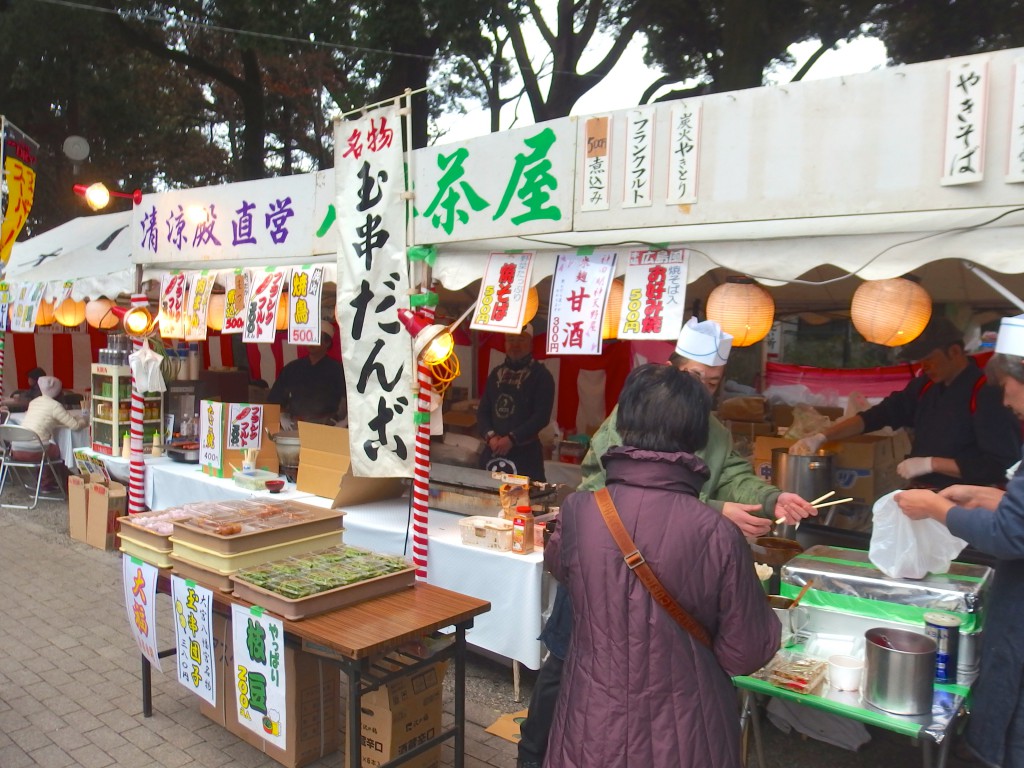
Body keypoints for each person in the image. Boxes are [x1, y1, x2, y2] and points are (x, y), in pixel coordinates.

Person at [517, 317, 816, 768]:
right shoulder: (637, 415)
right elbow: (602, 487)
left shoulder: (709, 428)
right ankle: (530, 754)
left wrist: (771, 497)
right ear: (674, 367)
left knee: (613, 694)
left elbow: (732, 475)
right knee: (561, 678)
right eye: (696, 378)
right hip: (607, 573)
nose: (704, 390)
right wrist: (712, 514)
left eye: (713, 383)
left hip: (648, 590)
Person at [895, 313, 1024, 768]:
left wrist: (937, 508)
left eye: (1010, 386)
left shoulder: (978, 395)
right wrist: (986, 495)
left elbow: (1012, 531)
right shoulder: (931, 390)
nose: (1008, 400)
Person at [791, 315, 1021, 489]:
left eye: (929, 359)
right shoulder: (925, 387)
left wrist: (932, 463)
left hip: (966, 504)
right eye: (921, 361)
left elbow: (999, 466)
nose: (925, 367)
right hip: (920, 494)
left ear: (954, 351)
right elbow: (878, 415)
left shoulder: (986, 393)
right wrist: (822, 437)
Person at [477, 324, 555, 481]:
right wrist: (491, 437)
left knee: (526, 501)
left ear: (531, 344)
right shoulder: (496, 374)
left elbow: (541, 416)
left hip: (525, 454)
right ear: (505, 344)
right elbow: (483, 411)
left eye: (521, 340)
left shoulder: (541, 376)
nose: (515, 345)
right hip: (494, 450)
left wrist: (512, 439)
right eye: (511, 340)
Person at [268, 319, 346, 428]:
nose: (311, 342)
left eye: (316, 338)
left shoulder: (338, 370)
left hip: (327, 425)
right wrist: (282, 415)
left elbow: (346, 400)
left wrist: (342, 421)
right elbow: (276, 398)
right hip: (295, 425)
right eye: (309, 337)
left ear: (327, 343)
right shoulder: (292, 368)